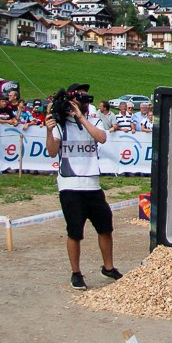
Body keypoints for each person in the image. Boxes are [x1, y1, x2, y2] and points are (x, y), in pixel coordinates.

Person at [47, 86, 121, 289]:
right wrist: (48, 129)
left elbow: (102, 137)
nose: (85, 100)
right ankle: (76, 273)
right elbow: (52, 151)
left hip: (92, 185)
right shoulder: (60, 124)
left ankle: (108, 266)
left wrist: (80, 116)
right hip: (70, 185)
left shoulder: (92, 119)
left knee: (105, 228)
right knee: (75, 232)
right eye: (80, 97)